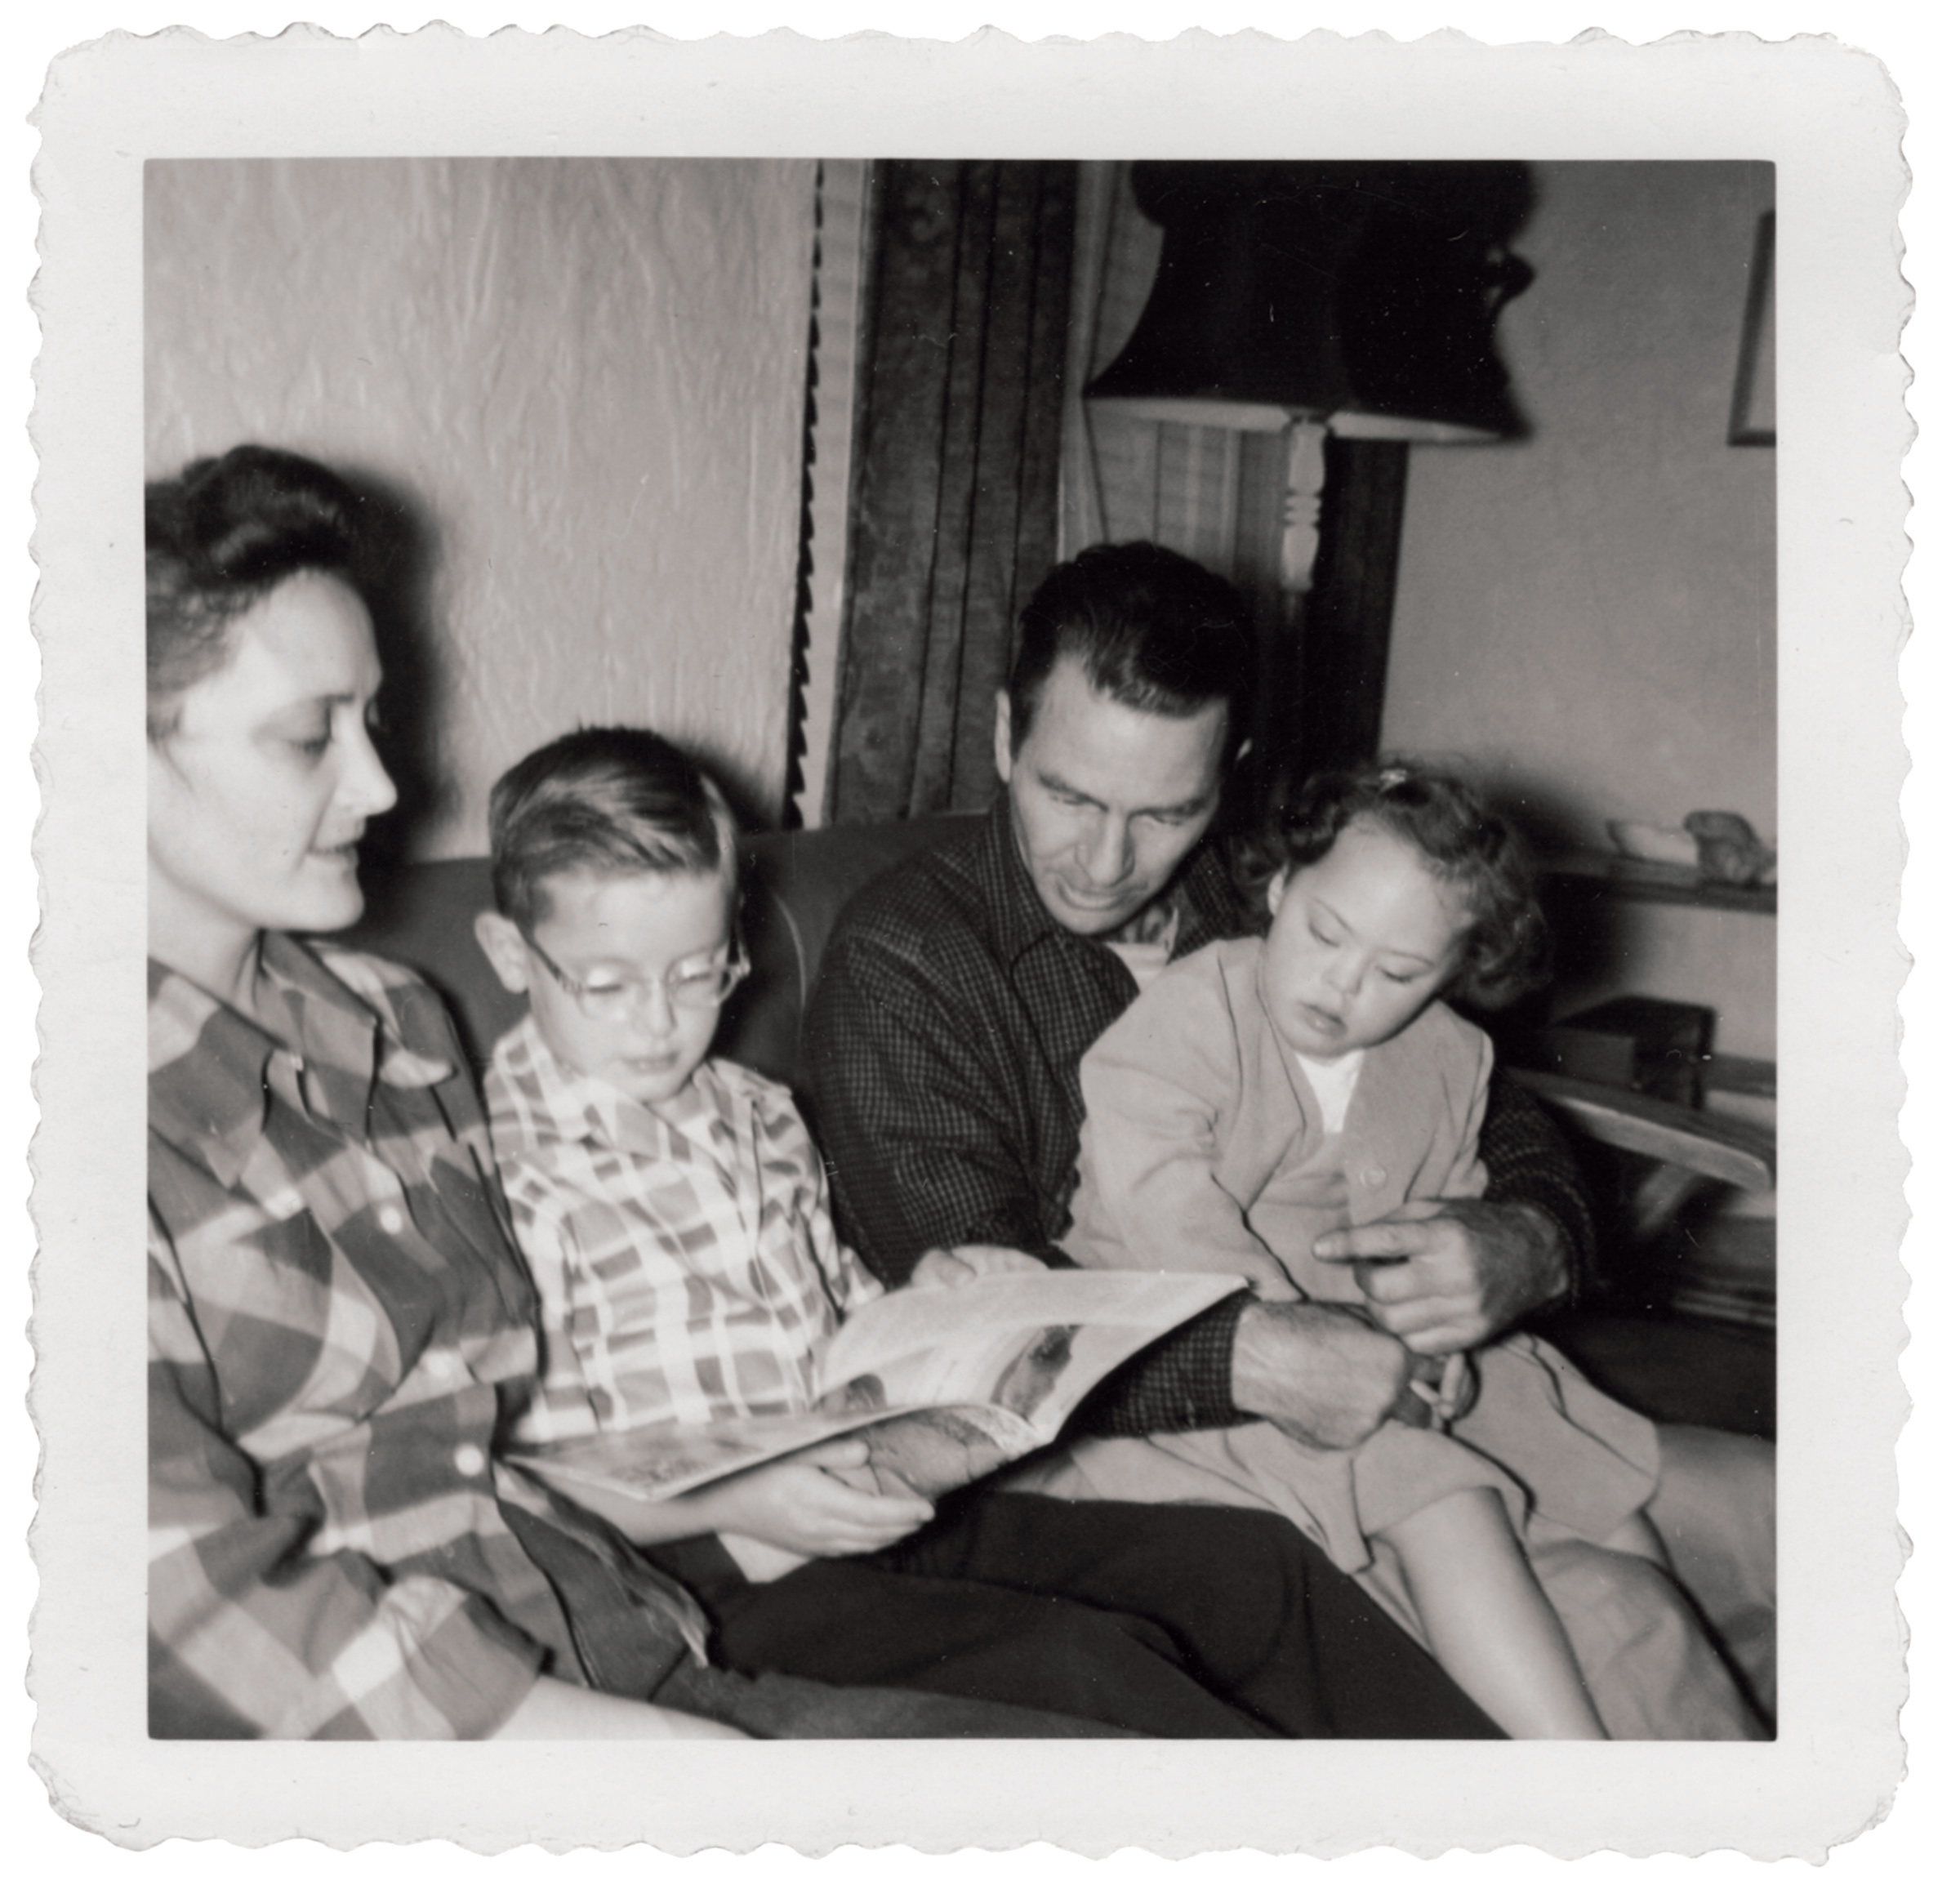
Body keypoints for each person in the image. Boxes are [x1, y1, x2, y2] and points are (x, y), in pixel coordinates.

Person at [145, 443, 1124, 1742]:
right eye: (309, 737)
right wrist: (692, 1771)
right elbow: (178, 1614)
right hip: (483, 1735)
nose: (382, 786)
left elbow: (504, 1435)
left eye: (371, 721)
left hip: (622, 1618)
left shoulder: (391, 1024)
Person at [804, 541, 1777, 1726]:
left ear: (1232, 777)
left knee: (1818, 1524)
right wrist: (1272, 1355)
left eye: (1168, 810)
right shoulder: (907, 962)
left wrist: (1528, 1237)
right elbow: (995, 1333)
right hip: (1156, 1444)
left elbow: (1489, 1106)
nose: (1106, 863)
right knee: (1636, 1632)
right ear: (1007, 738)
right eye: (1069, 795)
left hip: (1428, 1380)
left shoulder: (1276, 896)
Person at [468, 724, 1499, 1738]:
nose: (661, 1023)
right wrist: (743, 1499)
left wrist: (934, 1297)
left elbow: (838, 1323)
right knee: (1084, 1663)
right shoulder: (486, 1172)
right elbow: (492, 1480)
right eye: (609, 986)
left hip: (867, 1491)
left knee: (1256, 1572)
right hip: (696, 1575)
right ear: (510, 954)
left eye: (701, 973)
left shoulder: (754, 1110)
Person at [1045, 760, 1755, 1739]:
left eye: (1399, 973)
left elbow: (1451, 1203)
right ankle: (1578, 1774)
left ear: (1455, 974)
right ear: (1284, 889)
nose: (1343, 985)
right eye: (1326, 934)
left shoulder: (1451, 1054)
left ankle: (1677, 1665)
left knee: (1578, 1452)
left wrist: (1448, 1335)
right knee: (1445, 1497)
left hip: (1381, 1333)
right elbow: (1159, 1200)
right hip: (1208, 1345)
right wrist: (1295, 1329)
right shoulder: (1194, 1011)